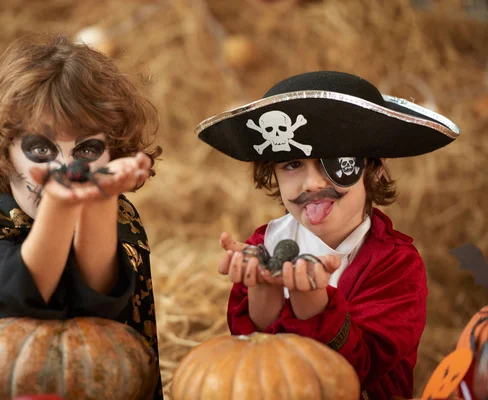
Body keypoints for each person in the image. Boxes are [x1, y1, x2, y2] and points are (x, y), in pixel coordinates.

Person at [0, 32, 163, 398]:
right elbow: (7, 303)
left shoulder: (117, 214)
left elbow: (102, 308)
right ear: (4, 148)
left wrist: (99, 204)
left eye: (87, 149)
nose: (65, 166)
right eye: (40, 147)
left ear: (112, 151)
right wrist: (60, 205)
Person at [195, 71, 461, 399]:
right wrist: (263, 288)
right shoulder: (263, 247)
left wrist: (310, 297)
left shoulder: (396, 265)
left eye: (334, 162)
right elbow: (256, 366)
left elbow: (354, 372)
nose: (312, 184)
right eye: (292, 164)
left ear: (374, 168)